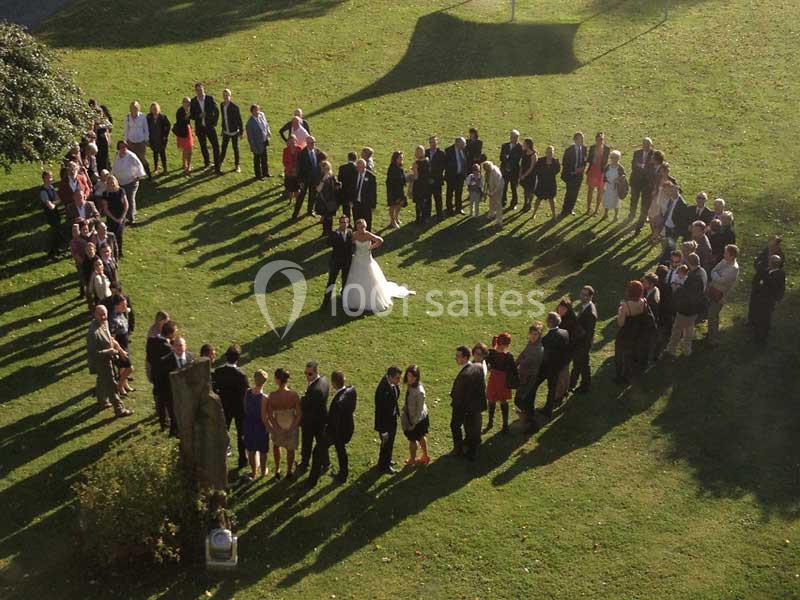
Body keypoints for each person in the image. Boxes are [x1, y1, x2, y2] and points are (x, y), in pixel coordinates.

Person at [342, 219, 413, 314]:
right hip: (357, 259)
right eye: (359, 227)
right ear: (356, 227)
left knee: (370, 277)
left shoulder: (368, 234)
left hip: (367, 259)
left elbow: (380, 240)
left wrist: (371, 247)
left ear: (365, 226)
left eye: (363, 227)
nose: (361, 229)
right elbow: (348, 242)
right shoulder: (354, 235)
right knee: (356, 277)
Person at [86, 305, 133, 417]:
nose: (103, 317)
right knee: (111, 384)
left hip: (108, 359)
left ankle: (102, 401)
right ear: (95, 315)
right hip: (101, 362)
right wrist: (109, 351)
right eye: (100, 315)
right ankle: (119, 409)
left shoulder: (105, 323)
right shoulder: (93, 332)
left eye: (105, 314)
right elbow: (93, 353)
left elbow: (110, 338)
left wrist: (120, 351)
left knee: (102, 380)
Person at [212, 344, 249, 470]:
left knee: (223, 432)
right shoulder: (241, 375)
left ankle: (220, 456)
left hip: (224, 407)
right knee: (241, 434)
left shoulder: (218, 372)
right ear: (238, 358)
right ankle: (243, 459)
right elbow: (245, 394)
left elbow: (215, 389)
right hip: (239, 409)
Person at [449, 346, 487, 461]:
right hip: (474, 404)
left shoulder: (465, 375)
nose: (456, 358)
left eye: (458, 356)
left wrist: (454, 397)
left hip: (463, 406)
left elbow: (459, 393)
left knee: (455, 426)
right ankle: (470, 451)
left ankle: (459, 449)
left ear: (465, 358)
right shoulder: (478, 366)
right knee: (471, 429)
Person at [263, 368, 302, 480]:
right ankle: (289, 471)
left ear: (277, 380)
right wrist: (292, 428)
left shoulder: (272, 396)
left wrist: (277, 428)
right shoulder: (294, 395)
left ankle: (277, 469)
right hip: (291, 425)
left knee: (276, 446)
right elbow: (299, 414)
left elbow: (270, 415)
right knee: (290, 450)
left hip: (278, 425)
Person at [665, 253, 707, 357]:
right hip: (695, 308)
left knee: (677, 328)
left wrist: (677, 290)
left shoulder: (693, 277)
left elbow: (687, 293)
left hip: (687, 309)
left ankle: (671, 349)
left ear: (689, 263)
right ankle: (687, 349)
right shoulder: (702, 271)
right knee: (689, 328)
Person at [533, 312, 571, 422]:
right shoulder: (565, 332)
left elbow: (543, 356)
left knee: (534, 385)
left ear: (549, 322)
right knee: (552, 388)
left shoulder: (546, 339)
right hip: (558, 366)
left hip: (547, 368)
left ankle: (529, 406)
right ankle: (548, 410)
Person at [614, 281, 653, 384]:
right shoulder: (644, 301)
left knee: (622, 355)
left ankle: (622, 376)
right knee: (634, 353)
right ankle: (632, 372)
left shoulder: (625, 306)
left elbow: (620, 323)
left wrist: (620, 311)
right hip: (639, 333)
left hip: (627, 334)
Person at [155, 335, 194, 437]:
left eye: (181, 345)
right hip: (172, 395)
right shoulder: (164, 361)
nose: (179, 348)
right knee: (175, 416)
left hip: (188, 394)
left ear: (185, 346)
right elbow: (161, 381)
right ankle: (175, 433)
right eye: (176, 345)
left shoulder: (191, 357)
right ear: (172, 347)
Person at [297, 361, 330, 479]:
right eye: (305, 373)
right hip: (321, 418)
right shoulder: (324, 381)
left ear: (316, 372)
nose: (307, 376)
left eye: (310, 374)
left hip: (311, 422)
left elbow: (305, 405)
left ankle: (304, 464)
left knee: (307, 443)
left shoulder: (315, 390)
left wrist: (302, 399)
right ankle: (326, 463)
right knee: (321, 442)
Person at [323, 371, 357, 483]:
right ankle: (335, 468)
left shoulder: (338, 401)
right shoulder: (351, 391)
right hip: (348, 426)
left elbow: (334, 419)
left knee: (329, 448)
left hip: (338, 431)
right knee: (340, 450)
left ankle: (341, 473)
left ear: (333, 383)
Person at [705, 244, 740, 345]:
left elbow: (722, 280)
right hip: (713, 290)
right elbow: (713, 271)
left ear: (732, 256)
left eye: (726, 253)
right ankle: (711, 333)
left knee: (713, 314)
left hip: (721, 295)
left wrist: (716, 275)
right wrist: (717, 275)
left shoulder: (734, 268)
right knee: (712, 314)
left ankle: (713, 339)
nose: (724, 254)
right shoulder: (724, 261)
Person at [484, 333, 518, 434]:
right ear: (507, 344)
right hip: (503, 381)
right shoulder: (509, 356)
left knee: (491, 400)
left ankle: (490, 422)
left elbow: (487, 364)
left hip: (493, 379)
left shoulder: (491, 353)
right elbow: (514, 370)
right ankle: (505, 425)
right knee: (503, 401)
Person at [147, 319, 177, 432]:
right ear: (170, 334)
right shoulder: (168, 348)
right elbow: (172, 364)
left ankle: (163, 424)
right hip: (165, 379)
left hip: (155, 375)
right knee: (170, 403)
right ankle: (173, 427)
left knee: (159, 402)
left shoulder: (151, 341)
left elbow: (149, 358)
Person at [748, 235, 784, 326]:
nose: (770, 245)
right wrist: (759, 266)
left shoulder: (779, 256)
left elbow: (776, 271)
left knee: (763, 306)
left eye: (772, 243)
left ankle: (761, 324)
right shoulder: (766, 250)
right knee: (753, 300)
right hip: (758, 279)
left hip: (768, 285)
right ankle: (751, 320)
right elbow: (757, 261)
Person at [748, 254, 785, 343]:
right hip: (759, 299)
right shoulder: (766, 271)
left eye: (772, 262)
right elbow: (758, 281)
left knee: (764, 320)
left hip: (768, 301)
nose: (770, 263)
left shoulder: (779, 274)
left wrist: (776, 299)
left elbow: (776, 288)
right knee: (757, 317)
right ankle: (756, 335)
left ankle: (762, 339)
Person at [514, 323, 544, 428]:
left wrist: (516, 370)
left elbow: (525, 365)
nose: (533, 336)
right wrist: (515, 364)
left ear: (539, 335)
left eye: (536, 334)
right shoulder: (531, 343)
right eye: (531, 333)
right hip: (524, 376)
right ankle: (528, 419)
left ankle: (528, 423)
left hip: (529, 378)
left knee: (521, 400)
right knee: (525, 400)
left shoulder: (538, 349)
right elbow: (523, 354)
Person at [374, 366, 401, 474]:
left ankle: (387, 460)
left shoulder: (392, 384)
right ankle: (383, 466)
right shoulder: (382, 390)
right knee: (386, 445)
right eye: (397, 378)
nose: (399, 380)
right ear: (390, 377)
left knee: (390, 443)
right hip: (385, 424)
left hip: (392, 419)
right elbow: (380, 413)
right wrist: (383, 431)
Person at [243, 369, 269, 480]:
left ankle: (253, 472)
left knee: (251, 450)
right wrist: (269, 427)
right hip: (260, 426)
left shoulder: (247, 392)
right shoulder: (264, 398)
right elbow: (263, 416)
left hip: (249, 424)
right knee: (263, 451)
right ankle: (263, 471)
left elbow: (245, 408)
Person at [111, 141, 146, 225]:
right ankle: (123, 216)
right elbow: (115, 166)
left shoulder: (131, 156)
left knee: (130, 199)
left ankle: (131, 218)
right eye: (121, 147)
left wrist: (137, 177)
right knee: (122, 199)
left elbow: (139, 166)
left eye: (124, 147)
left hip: (131, 182)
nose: (123, 149)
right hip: (120, 182)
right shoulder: (117, 155)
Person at [570, 285, 597, 393]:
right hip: (581, 342)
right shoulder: (585, 306)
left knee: (583, 365)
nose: (582, 296)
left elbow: (588, 332)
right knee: (579, 364)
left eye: (585, 295)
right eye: (581, 294)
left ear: (590, 297)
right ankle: (573, 384)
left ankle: (584, 385)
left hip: (583, 343)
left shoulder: (590, 313)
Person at [189, 83, 221, 174]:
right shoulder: (193, 101)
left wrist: (214, 122)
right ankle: (207, 163)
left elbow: (216, 111)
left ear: (203, 89)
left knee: (215, 146)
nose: (200, 92)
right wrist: (199, 116)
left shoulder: (209, 99)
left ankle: (217, 165)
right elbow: (192, 115)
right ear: (196, 91)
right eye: (198, 90)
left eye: (201, 90)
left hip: (210, 126)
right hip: (200, 128)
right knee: (203, 146)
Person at [323, 215, 354, 307]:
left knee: (345, 281)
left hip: (347, 261)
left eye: (345, 222)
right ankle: (325, 302)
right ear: (339, 223)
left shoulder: (350, 232)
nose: (343, 224)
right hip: (336, 261)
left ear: (348, 223)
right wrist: (334, 236)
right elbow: (328, 243)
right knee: (331, 282)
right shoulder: (334, 233)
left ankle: (344, 299)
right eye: (341, 222)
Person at [401, 365, 429, 466]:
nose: (410, 379)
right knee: (420, 437)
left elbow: (419, 410)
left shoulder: (419, 392)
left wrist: (414, 424)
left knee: (413, 439)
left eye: (413, 377)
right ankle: (425, 456)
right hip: (413, 416)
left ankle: (413, 459)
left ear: (417, 377)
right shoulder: (411, 385)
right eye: (408, 376)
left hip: (418, 420)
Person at [108, 295, 133, 396]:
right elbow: (112, 337)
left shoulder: (122, 314)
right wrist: (118, 350)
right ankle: (119, 386)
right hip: (120, 345)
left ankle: (124, 385)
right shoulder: (113, 319)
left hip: (125, 343)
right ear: (116, 305)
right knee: (129, 368)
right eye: (123, 305)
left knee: (123, 367)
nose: (125, 307)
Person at [39, 171, 66, 258]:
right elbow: (50, 206)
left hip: (55, 214)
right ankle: (52, 252)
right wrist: (54, 203)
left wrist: (53, 203)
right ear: (44, 179)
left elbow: (59, 200)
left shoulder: (51, 188)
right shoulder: (43, 192)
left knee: (57, 233)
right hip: (50, 215)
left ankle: (56, 250)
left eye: (51, 177)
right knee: (55, 233)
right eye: (48, 177)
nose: (51, 179)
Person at [559, 132, 587, 218]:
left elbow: (585, 160)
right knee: (569, 193)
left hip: (579, 175)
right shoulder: (569, 150)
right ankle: (565, 210)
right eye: (580, 139)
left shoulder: (584, 149)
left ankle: (570, 209)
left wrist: (582, 168)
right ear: (575, 140)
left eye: (582, 139)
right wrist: (573, 171)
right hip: (571, 175)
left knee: (575, 193)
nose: (582, 141)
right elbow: (565, 163)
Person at [294, 136, 323, 219]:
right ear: (307, 143)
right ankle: (295, 214)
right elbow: (299, 168)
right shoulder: (302, 154)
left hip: (314, 178)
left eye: (314, 142)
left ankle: (310, 211)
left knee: (312, 196)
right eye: (312, 143)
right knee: (301, 197)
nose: (313, 144)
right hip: (305, 179)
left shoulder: (317, 151)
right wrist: (300, 181)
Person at [100, 175, 128, 257]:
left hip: (121, 216)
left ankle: (120, 251)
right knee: (112, 235)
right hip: (111, 217)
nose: (111, 184)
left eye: (112, 182)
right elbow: (105, 209)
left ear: (115, 182)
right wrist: (114, 219)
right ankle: (112, 251)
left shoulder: (121, 191)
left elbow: (126, 205)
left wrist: (122, 217)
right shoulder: (105, 194)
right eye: (109, 183)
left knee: (119, 235)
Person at [123, 101, 151, 179]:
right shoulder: (127, 117)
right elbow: (126, 130)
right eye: (132, 108)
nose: (134, 109)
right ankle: (136, 175)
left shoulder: (142, 117)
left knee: (142, 158)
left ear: (138, 108)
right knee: (132, 159)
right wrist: (126, 140)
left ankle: (148, 174)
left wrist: (146, 139)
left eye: (135, 108)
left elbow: (146, 129)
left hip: (140, 141)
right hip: (131, 141)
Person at [532, 145, 560, 221]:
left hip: (551, 183)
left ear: (553, 153)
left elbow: (557, 171)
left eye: (551, 152)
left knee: (552, 200)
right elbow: (536, 170)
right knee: (538, 199)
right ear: (546, 152)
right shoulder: (540, 161)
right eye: (548, 152)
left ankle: (554, 215)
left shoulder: (555, 162)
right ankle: (534, 213)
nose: (549, 154)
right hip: (542, 183)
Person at [219, 88, 244, 172]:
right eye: (224, 95)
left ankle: (237, 165)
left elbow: (239, 120)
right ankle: (220, 162)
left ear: (230, 96)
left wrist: (241, 132)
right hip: (226, 131)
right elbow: (223, 118)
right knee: (223, 147)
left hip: (234, 132)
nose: (225, 97)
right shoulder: (222, 105)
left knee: (235, 148)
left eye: (227, 95)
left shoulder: (235, 107)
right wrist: (223, 129)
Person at [628, 137, 653, 220]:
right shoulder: (637, 153)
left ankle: (643, 216)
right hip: (636, 180)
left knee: (645, 200)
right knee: (634, 199)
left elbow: (652, 168)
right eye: (644, 144)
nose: (646, 146)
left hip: (647, 182)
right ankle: (632, 214)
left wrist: (642, 167)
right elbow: (633, 166)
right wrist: (642, 168)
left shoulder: (654, 154)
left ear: (650, 145)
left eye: (648, 145)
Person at [585, 132, 610, 215]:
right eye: (599, 139)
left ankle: (596, 209)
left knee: (600, 191)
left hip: (601, 172)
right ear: (596, 139)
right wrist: (592, 160)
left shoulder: (607, 149)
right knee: (590, 190)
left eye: (602, 139)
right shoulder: (592, 148)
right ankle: (588, 208)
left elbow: (606, 161)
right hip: (593, 170)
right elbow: (589, 159)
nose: (600, 141)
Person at [350, 158, 377, 232]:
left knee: (367, 221)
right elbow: (352, 188)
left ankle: (367, 236)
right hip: (356, 203)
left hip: (366, 204)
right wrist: (351, 200)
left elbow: (373, 192)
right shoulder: (354, 175)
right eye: (358, 167)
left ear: (365, 167)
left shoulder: (371, 177)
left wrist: (373, 205)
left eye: (361, 167)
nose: (359, 169)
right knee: (357, 220)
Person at [245, 103, 270, 180]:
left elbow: (266, 125)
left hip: (264, 140)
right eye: (255, 110)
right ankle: (258, 175)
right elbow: (250, 138)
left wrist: (268, 132)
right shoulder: (249, 123)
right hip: (257, 144)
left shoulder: (261, 116)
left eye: (258, 110)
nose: (257, 111)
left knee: (265, 158)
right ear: (252, 111)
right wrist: (254, 148)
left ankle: (265, 173)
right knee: (257, 160)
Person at [314, 160, 339, 237]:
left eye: (328, 168)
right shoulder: (319, 176)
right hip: (323, 200)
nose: (327, 170)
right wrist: (323, 180)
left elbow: (336, 186)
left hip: (331, 200)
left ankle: (329, 232)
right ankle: (325, 232)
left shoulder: (332, 176)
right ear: (322, 169)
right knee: (325, 217)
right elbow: (318, 189)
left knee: (330, 217)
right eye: (325, 169)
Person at [499, 130, 523, 209]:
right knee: (504, 187)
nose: (514, 139)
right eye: (512, 137)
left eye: (516, 137)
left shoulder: (520, 147)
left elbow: (519, 160)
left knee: (513, 188)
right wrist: (506, 163)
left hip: (514, 171)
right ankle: (503, 202)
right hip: (505, 170)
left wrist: (511, 166)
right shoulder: (505, 146)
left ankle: (514, 203)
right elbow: (501, 157)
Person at [444, 137, 468, 215]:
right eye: (463, 144)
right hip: (451, 176)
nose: (464, 145)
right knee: (450, 193)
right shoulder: (448, 150)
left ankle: (458, 208)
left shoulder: (464, 150)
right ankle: (449, 209)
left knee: (459, 192)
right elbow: (445, 164)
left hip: (460, 176)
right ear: (457, 143)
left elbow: (465, 161)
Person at [146, 102, 170, 175]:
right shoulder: (149, 117)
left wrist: (165, 135)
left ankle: (165, 169)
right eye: (153, 109)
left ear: (159, 109)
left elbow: (168, 126)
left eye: (156, 109)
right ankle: (156, 168)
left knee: (162, 154)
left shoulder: (163, 117)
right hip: (153, 138)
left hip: (161, 139)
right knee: (155, 153)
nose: (155, 110)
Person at [426, 136, 446, 219]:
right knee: (427, 199)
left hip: (437, 181)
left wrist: (434, 179)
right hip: (427, 181)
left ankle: (439, 214)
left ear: (437, 143)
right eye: (431, 142)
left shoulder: (441, 154)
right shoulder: (426, 152)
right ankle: (427, 215)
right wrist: (428, 178)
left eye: (434, 142)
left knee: (438, 198)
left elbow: (442, 168)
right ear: (429, 143)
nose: (433, 144)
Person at [174, 97, 194, 177]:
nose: (187, 104)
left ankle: (186, 164)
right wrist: (186, 116)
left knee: (188, 149)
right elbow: (180, 122)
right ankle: (186, 166)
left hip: (187, 131)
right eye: (186, 102)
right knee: (187, 150)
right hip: (183, 133)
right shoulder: (180, 111)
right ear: (183, 103)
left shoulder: (188, 110)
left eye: (189, 102)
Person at [602, 150, 625, 220]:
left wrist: (618, 179)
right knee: (607, 199)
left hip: (616, 187)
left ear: (618, 158)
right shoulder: (607, 166)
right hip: (608, 186)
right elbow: (604, 176)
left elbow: (623, 176)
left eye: (616, 158)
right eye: (612, 157)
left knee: (616, 201)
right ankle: (605, 214)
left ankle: (616, 215)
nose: (614, 159)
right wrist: (604, 185)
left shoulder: (620, 167)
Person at [386, 150, 406, 228]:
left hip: (400, 189)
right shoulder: (392, 168)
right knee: (393, 205)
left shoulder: (400, 167)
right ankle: (392, 221)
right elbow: (391, 180)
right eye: (400, 157)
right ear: (395, 158)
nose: (401, 159)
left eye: (402, 157)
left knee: (399, 204)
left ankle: (396, 218)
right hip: (393, 190)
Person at [482, 160, 505, 228]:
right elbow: (487, 181)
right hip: (492, 187)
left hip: (498, 189)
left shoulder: (496, 173)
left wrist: (493, 193)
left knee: (498, 205)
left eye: (486, 170)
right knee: (491, 202)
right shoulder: (488, 171)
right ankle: (491, 215)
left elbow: (499, 185)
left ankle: (499, 222)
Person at [412, 145, 431, 224]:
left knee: (419, 203)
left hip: (419, 185)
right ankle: (425, 218)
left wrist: (413, 171)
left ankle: (418, 219)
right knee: (425, 202)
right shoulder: (427, 160)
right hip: (426, 184)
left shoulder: (416, 164)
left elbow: (416, 177)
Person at [518, 138, 538, 212]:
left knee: (530, 191)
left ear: (528, 145)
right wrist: (520, 173)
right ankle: (525, 203)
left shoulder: (533, 155)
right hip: (524, 173)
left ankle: (529, 203)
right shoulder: (524, 152)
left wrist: (525, 175)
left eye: (524, 144)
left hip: (531, 176)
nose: (523, 145)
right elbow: (522, 164)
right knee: (525, 190)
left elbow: (531, 167)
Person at [338, 152, 358, 219]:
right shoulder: (357, 168)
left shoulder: (342, 168)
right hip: (354, 192)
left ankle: (346, 223)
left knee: (346, 211)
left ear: (348, 158)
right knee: (355, 211)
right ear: (355, 159)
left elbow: (339, 179)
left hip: (345, 192)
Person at [282, 135, 301, 204]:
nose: (292, 143)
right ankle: (290, 201)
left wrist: (296, 169)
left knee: (297, 189)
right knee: (290, 189)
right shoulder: (285, 150)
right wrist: (291, 169)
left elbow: (301, 161)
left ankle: (297, 202)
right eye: (290, 142)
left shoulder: (299, 149)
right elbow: (284, 162)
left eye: (293, 141)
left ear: (296, 141)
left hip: (297, 173)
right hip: (289, 173)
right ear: (288, 142)